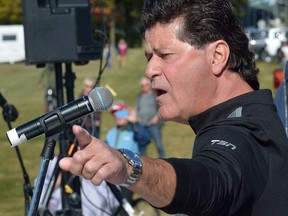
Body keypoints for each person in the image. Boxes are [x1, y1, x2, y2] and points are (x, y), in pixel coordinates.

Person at [59, 1, 288, 215]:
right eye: (149, 57)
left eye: (164, 55)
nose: (150, 70)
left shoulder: (244, 131)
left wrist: (128, 169)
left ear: (217, 56)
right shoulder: (251, 115)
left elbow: (211, 180)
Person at [136, 77, 165, 157]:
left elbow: (161, 107)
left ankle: (163, 160)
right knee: (142, 146)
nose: (144, 87)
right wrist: (138, 117)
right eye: (142, 86)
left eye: (146, 85)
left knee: (158, 144)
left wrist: (156, 117)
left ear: (149, 85)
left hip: (153, 124)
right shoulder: (139, 96)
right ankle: (143, 163)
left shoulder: (154, 95)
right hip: (142, 125)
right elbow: (138, 108)